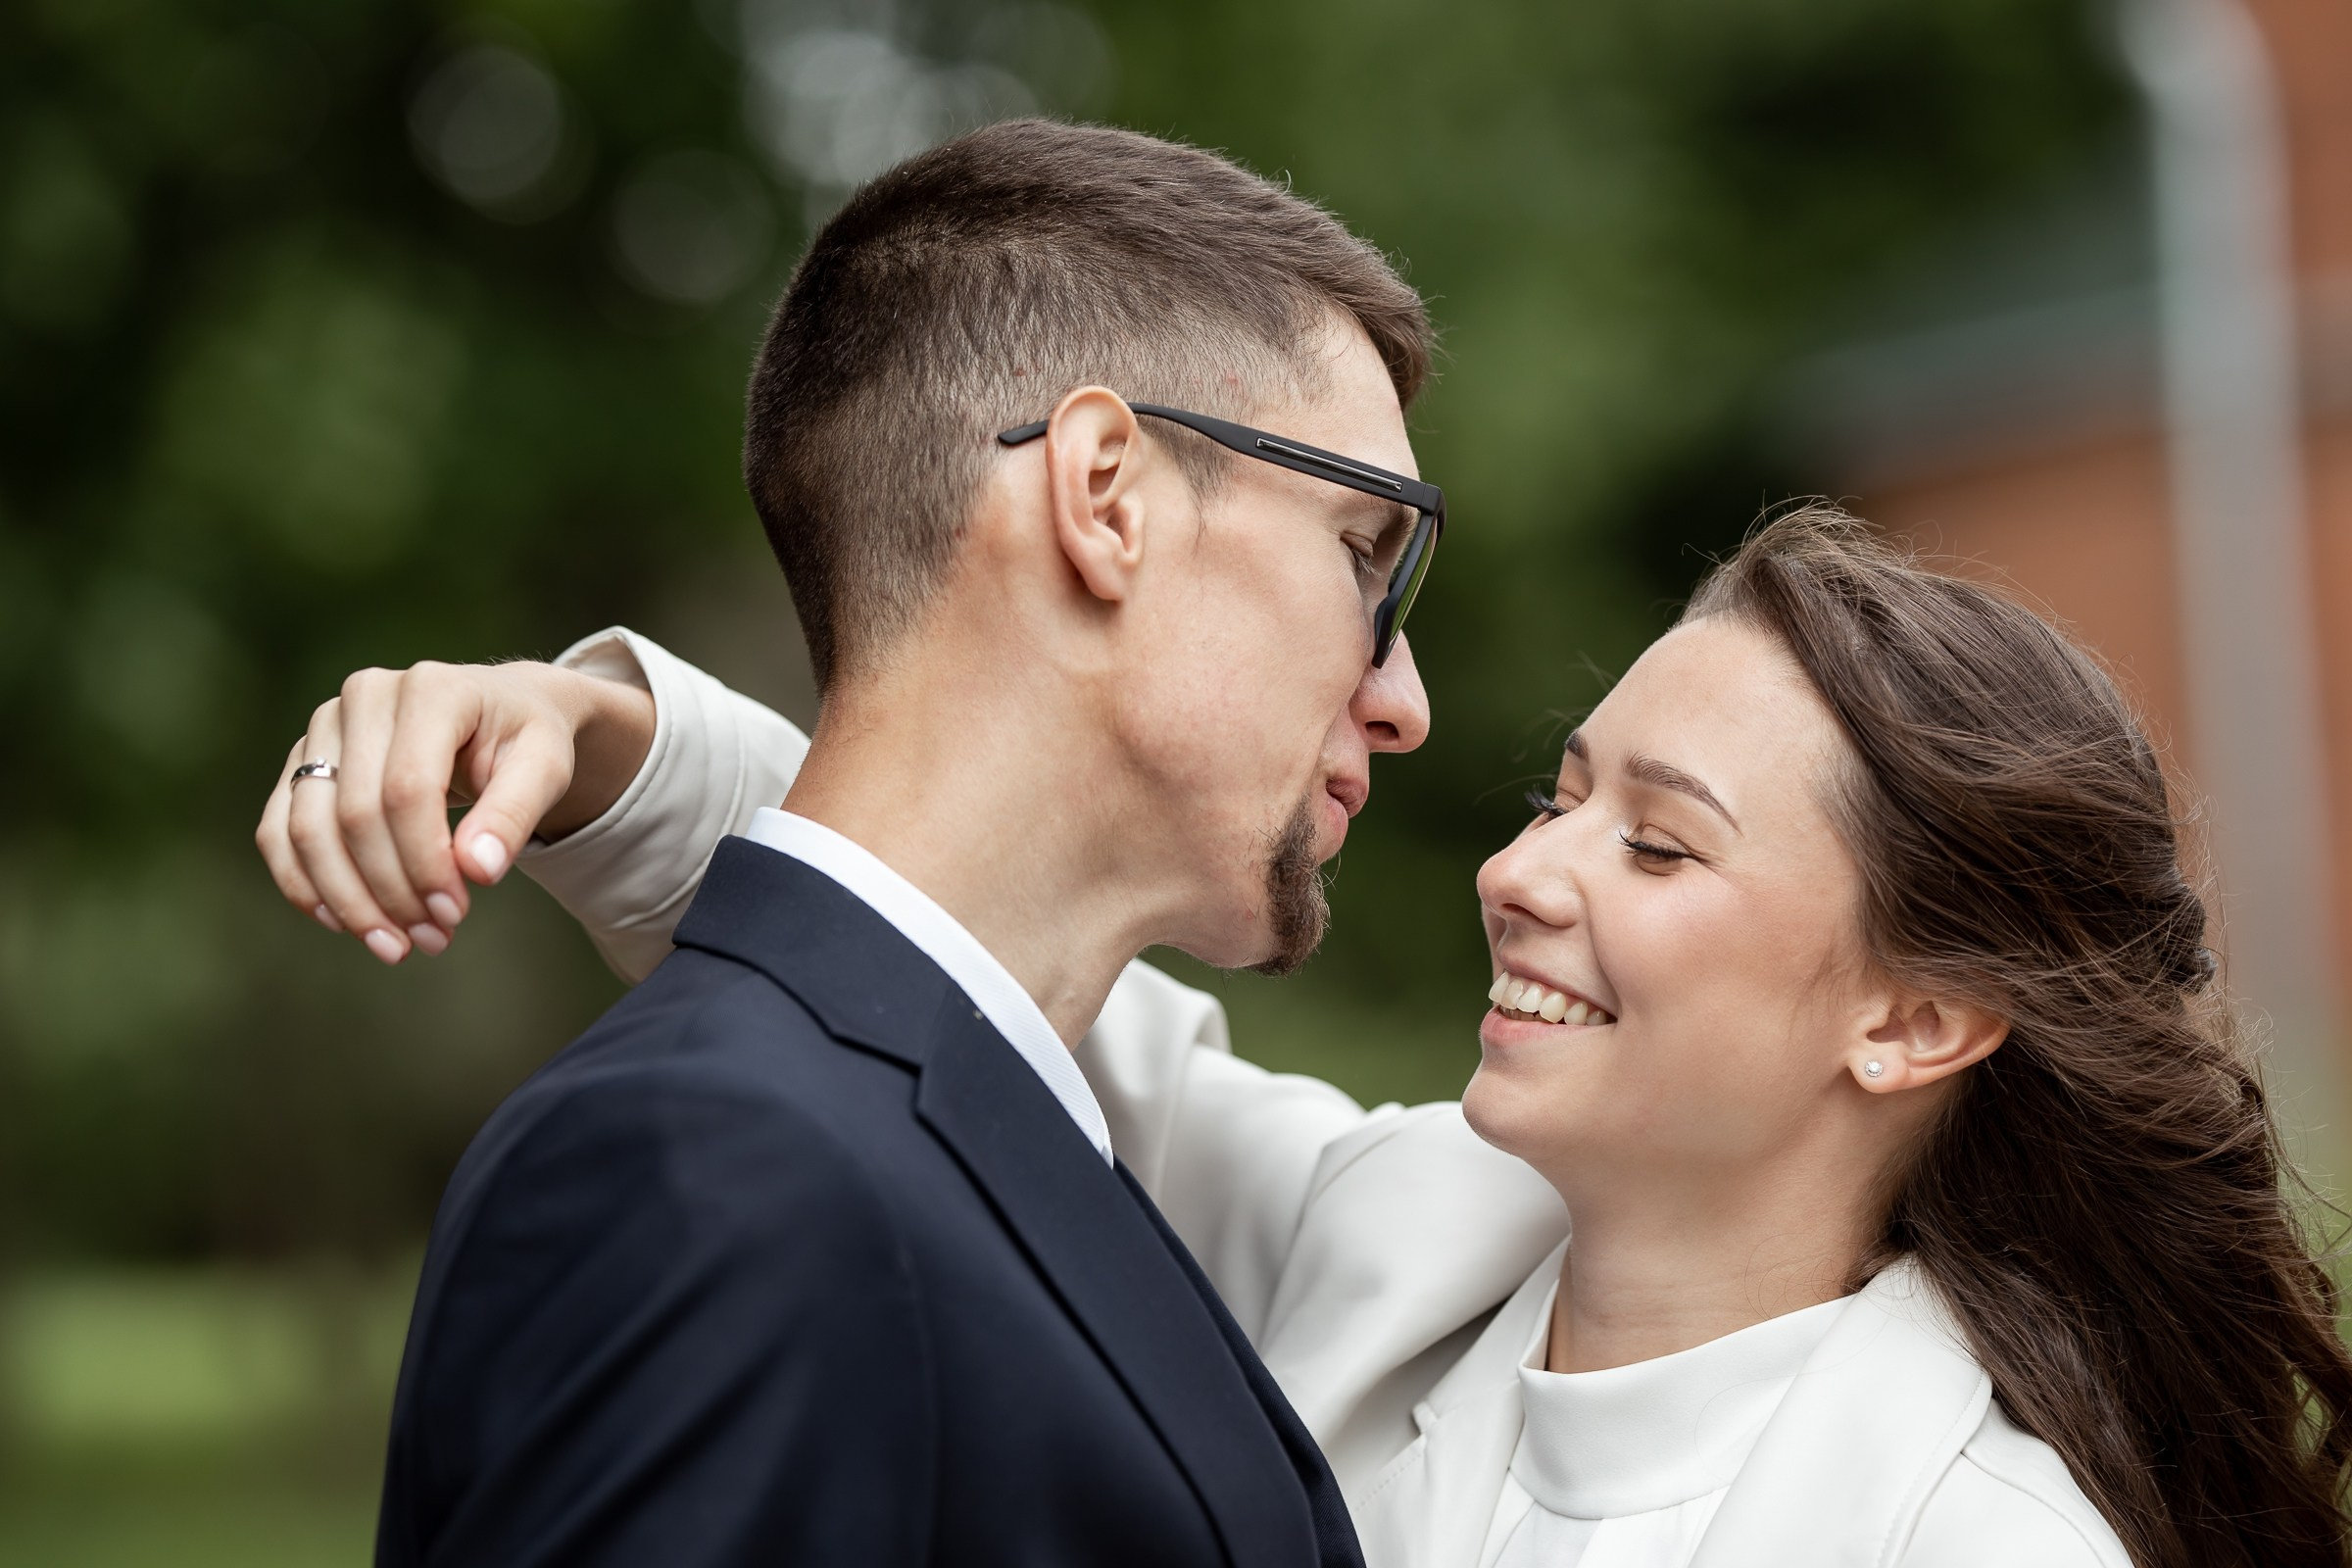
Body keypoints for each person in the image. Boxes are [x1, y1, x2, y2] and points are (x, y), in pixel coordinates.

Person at [268, 511, 2352, 1567]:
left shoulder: (1975, 1542)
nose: (1523, 874)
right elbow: (958, 976)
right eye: (1560, 794)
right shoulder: (1406, 1237)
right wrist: (596, 741)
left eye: (1658, 844)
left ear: (1915, 1017)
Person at [262, 116, 1561, 1567]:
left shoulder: (983, 1148)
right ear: (1105, 498)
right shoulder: (712, 1172)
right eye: (1366, 552)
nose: (1403, 702)